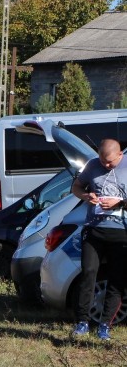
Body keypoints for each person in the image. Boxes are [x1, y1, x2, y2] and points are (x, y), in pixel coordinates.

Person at [70, 139, 127, 341]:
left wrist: (120, 202)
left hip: (121, 232)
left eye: (110, 162)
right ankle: (82, 322)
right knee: (88, 274)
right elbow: (75, 187)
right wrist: (86, 196)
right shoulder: (93, 164)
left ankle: (105, 325)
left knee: (116, 279)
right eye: (102, 161)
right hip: (94, 229)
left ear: (120, 155)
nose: (105, 165)